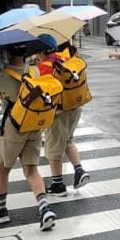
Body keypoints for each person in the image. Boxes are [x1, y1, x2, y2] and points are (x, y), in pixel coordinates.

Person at [0, 45, 56, 231]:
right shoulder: (34, 70)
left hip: (13, 127)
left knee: (2, 169)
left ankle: (1, 211)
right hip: (34, 124)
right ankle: (45, 208)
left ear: (6, 53)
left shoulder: (0, 75)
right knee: (31, 171)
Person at [32, 35, 90, 196]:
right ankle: (79, 171)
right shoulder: (64, 57)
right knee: (68, 141)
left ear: (41, 51)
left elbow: (40, 91)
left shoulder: (44, 67)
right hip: (75, 107)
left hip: (58, 113)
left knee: (53, 148)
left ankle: (58, 185)